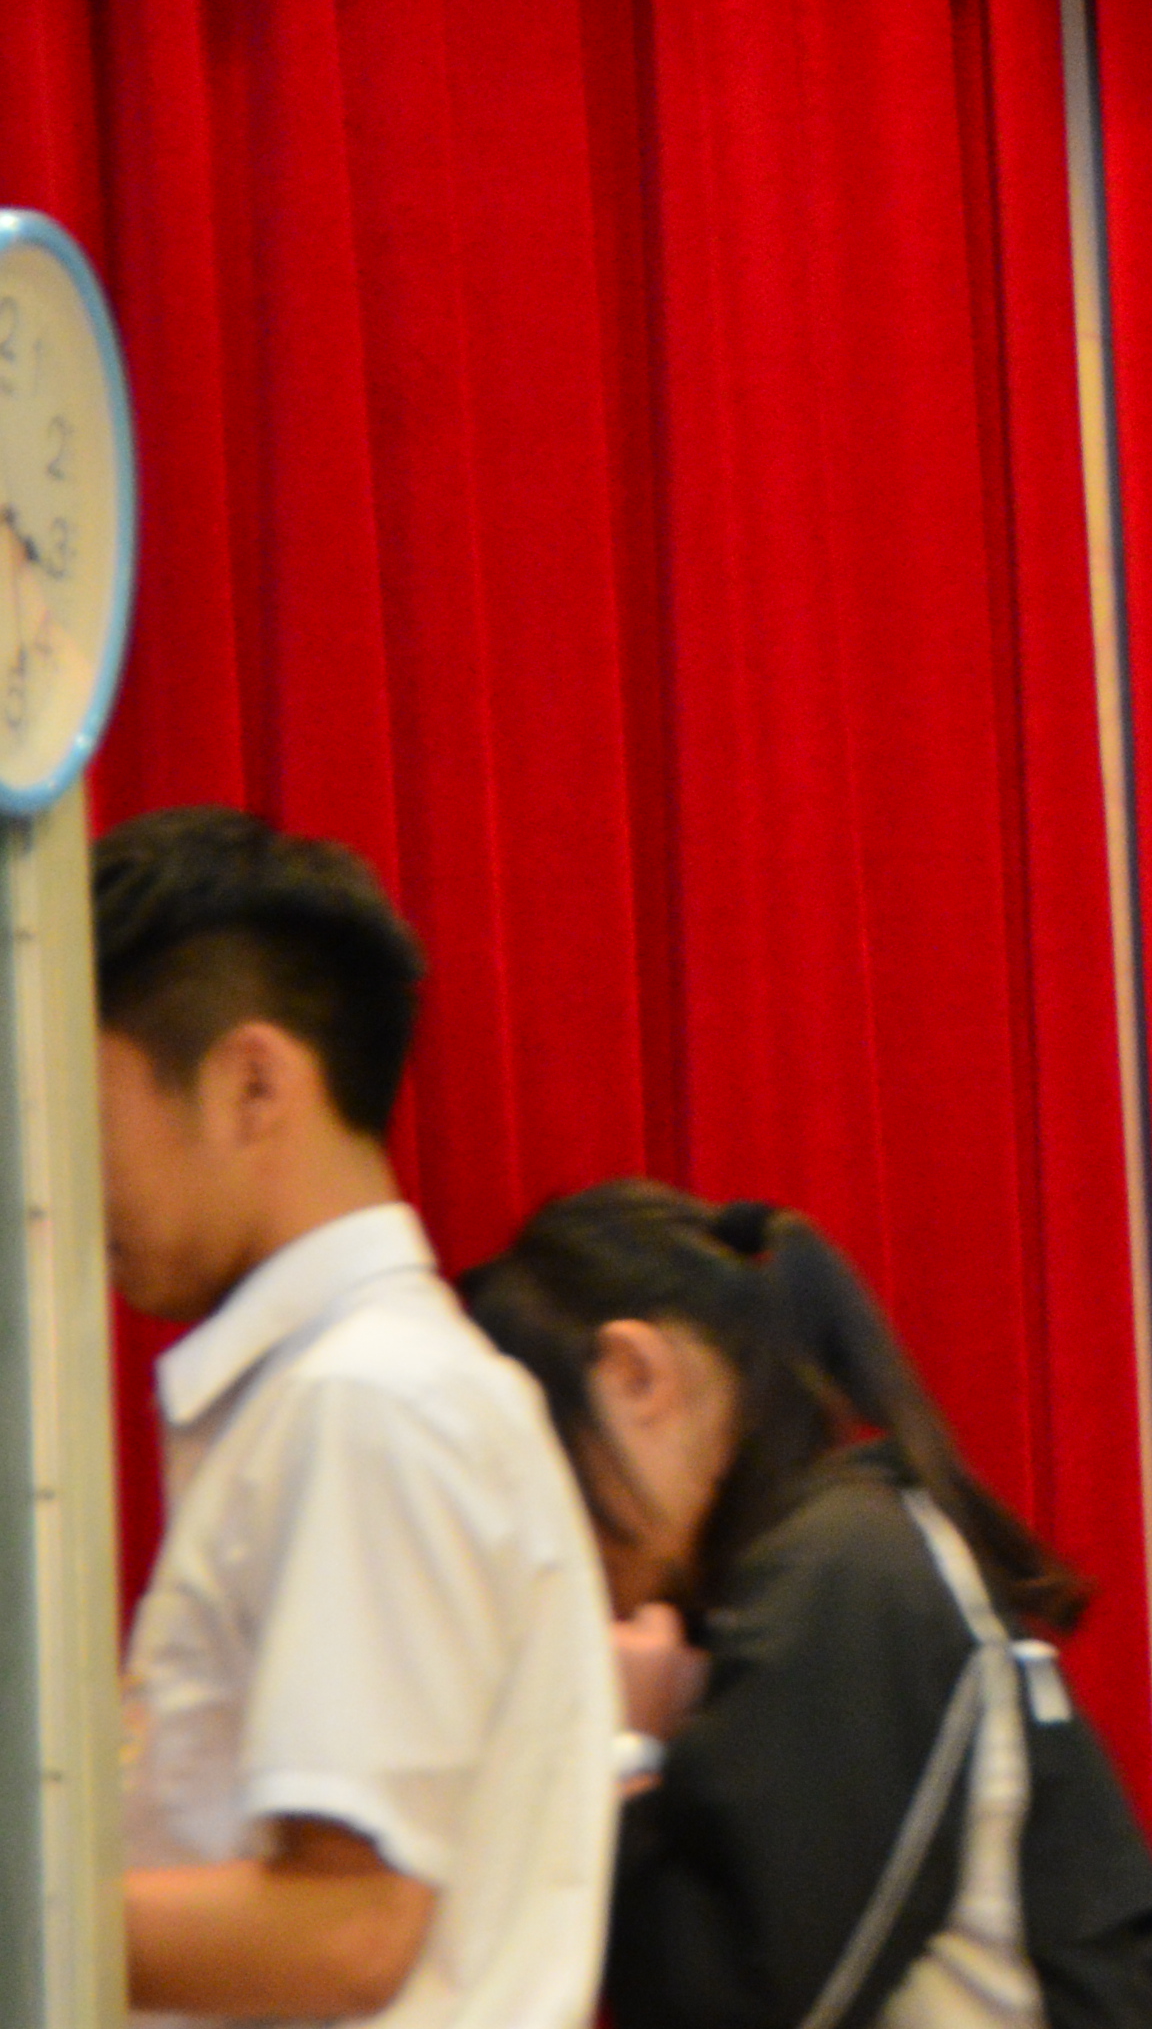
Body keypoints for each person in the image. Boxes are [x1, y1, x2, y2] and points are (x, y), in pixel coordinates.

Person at [95, 805, 618, 2027]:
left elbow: (348, 1928)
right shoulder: (350, 1390)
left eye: (83, 1105)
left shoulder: (365, 1400)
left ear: (252, 1082)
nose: (52, 1169)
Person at [458, 1181, 1152, 2028]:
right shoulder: (836, 1561)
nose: (547, 1530)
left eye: (541, 1462)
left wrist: (625, 1758)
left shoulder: (843, 1575)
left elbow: (736, 2009)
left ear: (633, 1376)